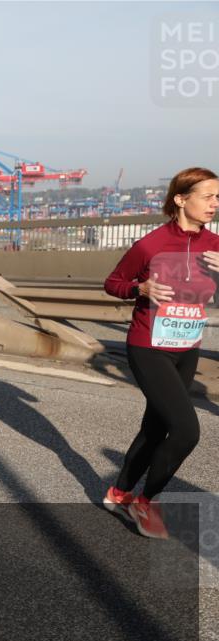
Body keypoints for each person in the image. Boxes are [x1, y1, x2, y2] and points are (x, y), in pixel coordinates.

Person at [103, 167, 219, 539]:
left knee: (155, 427)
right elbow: (113, 284)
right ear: (181, 199)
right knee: (186, 430)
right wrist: (141, 288)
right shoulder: (150, 244)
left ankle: (118, 491)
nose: (214, 204)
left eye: (218, 198)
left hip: (187, 347)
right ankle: (145, 501)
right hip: (149, 346)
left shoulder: (215, 246)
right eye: (207, 196)